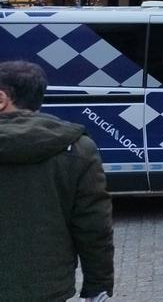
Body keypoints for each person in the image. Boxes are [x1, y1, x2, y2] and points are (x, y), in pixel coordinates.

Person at [0, 61, 114, 301]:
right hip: (46, 288)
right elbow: (93, 227)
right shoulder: (78, 149)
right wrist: (97, 286)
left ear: (2, 99)